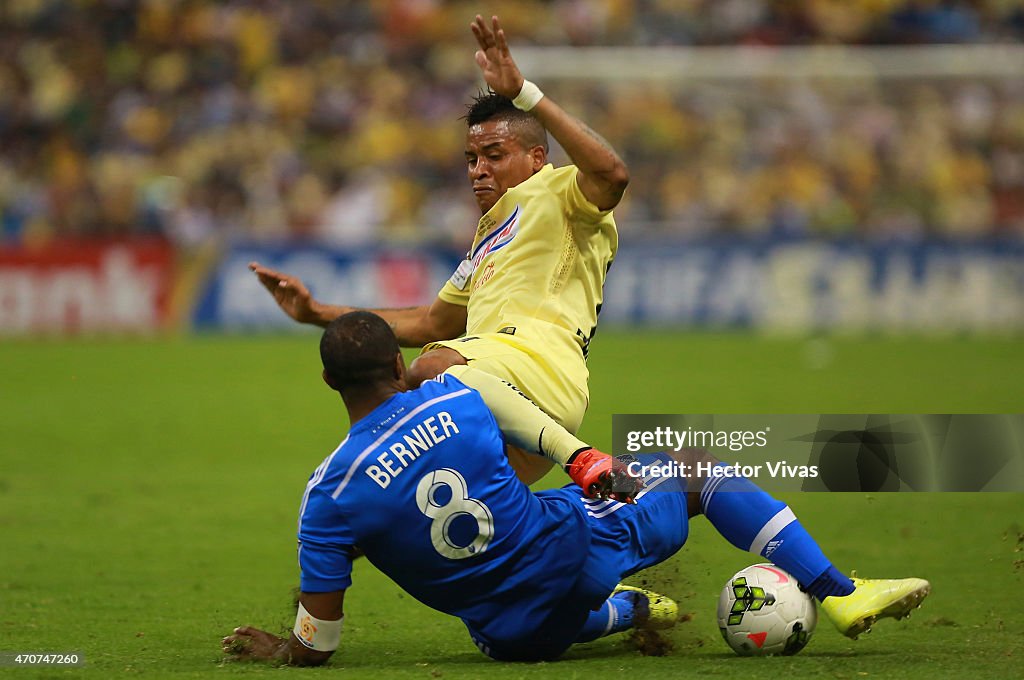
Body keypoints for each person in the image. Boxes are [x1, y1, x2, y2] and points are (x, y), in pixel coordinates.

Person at [221, 312, 931, 666]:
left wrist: (284, 651)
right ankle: (838, 592)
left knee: (498, 611)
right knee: (692, 469)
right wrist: (587, 459)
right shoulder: (456, 397)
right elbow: (532, 426)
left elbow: (319, 639)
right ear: (401, 362)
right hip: (575, 551)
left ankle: (625, 613)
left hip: (510, 637)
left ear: (326, 383)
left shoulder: (327, 497)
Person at [250, 14, 631, 486]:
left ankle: (582, 459)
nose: (478, 170)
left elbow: (613, 174)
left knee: (429, 369)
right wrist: (319, 313)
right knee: (434, 477)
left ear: (537, 158)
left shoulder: (562, 191)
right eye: (472, 159)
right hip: (497, 396)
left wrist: (525, 94)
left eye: (495, 155)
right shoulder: (488, 235)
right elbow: (431, 322)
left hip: (541, 372)